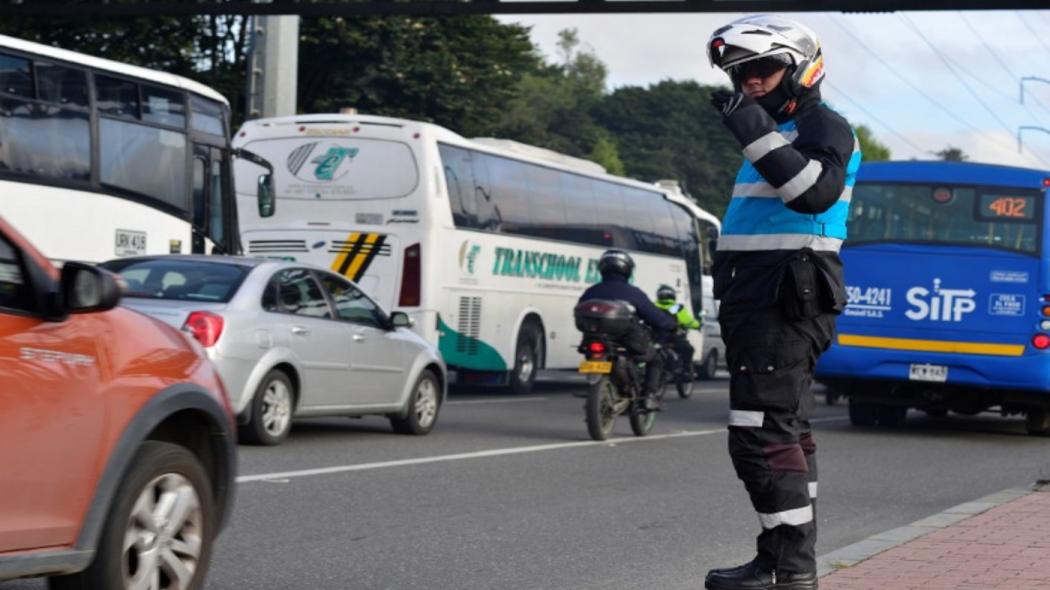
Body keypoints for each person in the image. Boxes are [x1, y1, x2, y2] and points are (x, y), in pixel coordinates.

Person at [703, 15, 862, 590]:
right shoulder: (777, 135)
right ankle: (780, 562)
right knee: (786, 431)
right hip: (760, 297)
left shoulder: (824, 126)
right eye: (739, 73)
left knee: (759, 433)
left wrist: (750, 127)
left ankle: (794, 573)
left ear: (801, 66)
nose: (749, 82)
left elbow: (812, 192)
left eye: (763, 69)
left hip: (784, 297)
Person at [578, 249, 677, 409]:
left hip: (593, 341)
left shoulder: (592, 291)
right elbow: (655, 317)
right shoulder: (633, 293)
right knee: (656, 358)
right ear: (627, 269)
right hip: (628, 342)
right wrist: (669, 325)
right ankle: (649, 397)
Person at [653, 284, 701, 379]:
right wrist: (698, 325)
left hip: (655, 336)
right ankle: (686, 372)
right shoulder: (676, 307)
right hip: (672, 337)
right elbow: (688, 321)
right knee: (688, 350)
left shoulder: (654, 306)